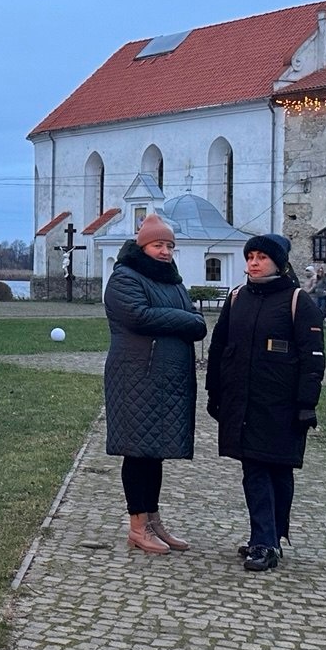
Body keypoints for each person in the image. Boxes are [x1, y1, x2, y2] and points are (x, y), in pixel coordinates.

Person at [205, 233, 325, 573]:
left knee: (279, 470)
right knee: (255, 470)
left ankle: (271, 536)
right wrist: (215, 392)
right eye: (250, 256)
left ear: (279, 262)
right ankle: (264, 541)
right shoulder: (237, 298)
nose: (253, 263)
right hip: (244, 404)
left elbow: (313, 358)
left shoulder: (298, 302)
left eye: (261, 257)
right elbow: (219, 349)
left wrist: (307, 403)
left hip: (282, 405)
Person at [103, 213, 207, 554]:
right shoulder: (124, 278)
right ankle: (137, 525)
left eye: (169, 246)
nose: (165, 251)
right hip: (136, 377)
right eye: (158, 245)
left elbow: (199, 323)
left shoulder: (173, 282)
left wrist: (187, 321)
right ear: (142, 245)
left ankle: (153, 520)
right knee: (137, 452)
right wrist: (185, 320)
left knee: (155, 452)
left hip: (167, 380)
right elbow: (139, 316)